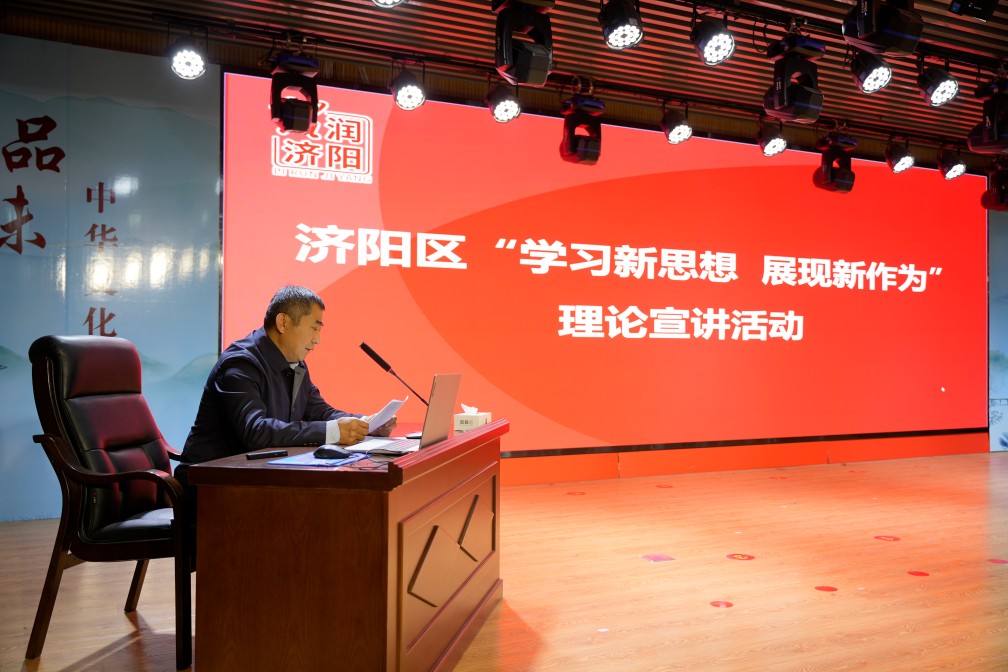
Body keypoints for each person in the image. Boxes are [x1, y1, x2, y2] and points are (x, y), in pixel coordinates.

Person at [180, 285, 394, 466]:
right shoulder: (240, 364)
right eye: (314, 328)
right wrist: (333, 432)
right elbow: (255, 432)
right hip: (209, 480)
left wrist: (366, 424)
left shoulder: (296, 364)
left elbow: (319, 411)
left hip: (258, 476)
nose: (317, 339)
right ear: (283, 323)